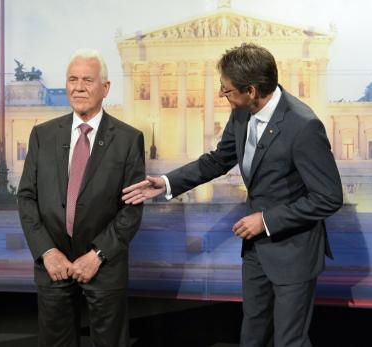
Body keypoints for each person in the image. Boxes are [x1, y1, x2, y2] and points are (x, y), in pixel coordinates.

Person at [122, 43, 342, 347]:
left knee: (289, 341)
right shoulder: (242, 113)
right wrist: (166, 182)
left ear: (250, 90)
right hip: (256, 251)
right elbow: (218, 160)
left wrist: (265, 221)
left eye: (226, 91)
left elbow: (329, 197)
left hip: (294, 251)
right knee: (252, 334)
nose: (222, 96)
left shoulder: (303, 126)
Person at [18, 48, 145, 347]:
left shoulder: (128, 139)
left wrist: (97, 255)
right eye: (72, 79)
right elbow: (26, 198)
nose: (78, 87)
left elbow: (132, 210)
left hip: (104, 265)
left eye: (87, 80)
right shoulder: (43, 135)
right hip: (53, 265)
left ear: (105, 87)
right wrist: (47, 252)